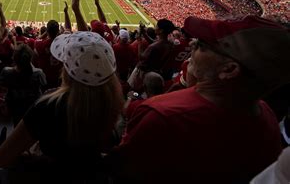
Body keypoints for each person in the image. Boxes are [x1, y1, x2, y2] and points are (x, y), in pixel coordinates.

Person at [106, 15, 290, 184]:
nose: (192, 45)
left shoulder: (162, 115)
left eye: (203, 44)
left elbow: (120, 170)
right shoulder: (267, 117)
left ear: (229, 70)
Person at [0, 0, 124, 183]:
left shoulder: (48, 106)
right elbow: (91, 50)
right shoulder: (113, 108)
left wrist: (34, 156)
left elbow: (2, 157)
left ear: (67, 70)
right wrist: (76, 9)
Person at [0, 44, 46, 126]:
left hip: (15, 107)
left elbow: (3, 87)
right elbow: (44, 84)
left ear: (14, 59)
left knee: (17, 124)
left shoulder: (6, 72)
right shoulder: (38, 73)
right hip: (33, 108)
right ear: (30, 59)